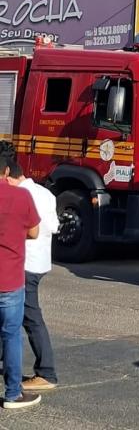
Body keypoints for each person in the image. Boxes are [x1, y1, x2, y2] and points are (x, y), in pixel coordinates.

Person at [6, 161, 58, 392]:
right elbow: (55, 226)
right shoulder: (45, 193)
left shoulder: (20, 195)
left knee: (30, 317)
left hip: (25, 262)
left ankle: (46, 371)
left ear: (9, 177)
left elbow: (23, 229)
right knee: (20, 316)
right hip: (41, 262)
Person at [0, 152, 41, 410]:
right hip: (10, 279)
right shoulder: (21, 196)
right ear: (6, 172)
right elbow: (35, 232)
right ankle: (13, 393)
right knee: (11, 335)